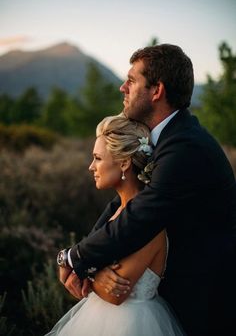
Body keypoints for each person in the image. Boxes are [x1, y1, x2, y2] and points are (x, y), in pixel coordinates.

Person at [56, 44, 236, 335]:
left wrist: (75, 258)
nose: (122, 87)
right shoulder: (164, 139)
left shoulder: (185, 147)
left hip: (204, 298)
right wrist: (86, 262)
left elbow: (140, 216)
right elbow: (123, 204)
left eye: (132, 80)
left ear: (157, 90)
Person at [46, 114, 185, 336]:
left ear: (123, 162)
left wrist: (88, 273)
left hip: (134, 324)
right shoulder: (117, 212)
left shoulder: (149, 222)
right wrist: (94, 273)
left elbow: (115, 294)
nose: (91, 166)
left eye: (98, 158)